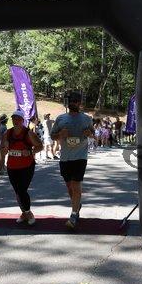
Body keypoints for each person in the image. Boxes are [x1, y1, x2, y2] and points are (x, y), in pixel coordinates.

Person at [50, 91, 94, 229]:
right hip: (65, 158)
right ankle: (76, 205)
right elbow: (52, 136)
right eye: (70, 101)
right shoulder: (60, 118)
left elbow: (93, 133)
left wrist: (89, 133)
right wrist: (59, 134)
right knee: (69, 186)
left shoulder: (86, 119)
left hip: (80, 157)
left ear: (79, 103)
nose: (72, 103)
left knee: (76, 185)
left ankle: (74, 215)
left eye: (75, 101)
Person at [1, 110, 43, 225]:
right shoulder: (7, 133)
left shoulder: (28, 133)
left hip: (27, 166)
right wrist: (4, 149)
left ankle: (28, 213)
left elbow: (40, 146)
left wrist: (30, 152)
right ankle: (24, 213)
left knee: (22, 190)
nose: (16, 121)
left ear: (22, 120)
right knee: (17, 191)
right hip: (12, 166)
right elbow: (3, 150)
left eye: (18, 119)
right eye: (14, 119)